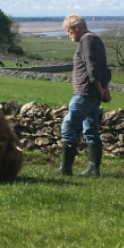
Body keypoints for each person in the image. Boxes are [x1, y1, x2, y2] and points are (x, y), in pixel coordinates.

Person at [47, 14, 110, 177]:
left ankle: (65, 169)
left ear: (76, 28)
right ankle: (93, 169)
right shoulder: (96, 39)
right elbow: (105, 69)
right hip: (94, 93)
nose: (68, 35)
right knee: (90, 130)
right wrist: (103, 89)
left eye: (68, 31)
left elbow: (92, 67)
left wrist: (100, 88)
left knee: (68, 126)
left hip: (85, 93)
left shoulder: (86, 40)